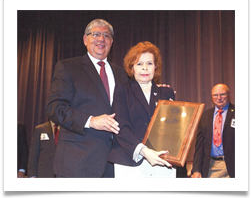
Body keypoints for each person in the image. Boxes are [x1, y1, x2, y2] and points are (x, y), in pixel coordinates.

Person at [46, 19, 128, 178]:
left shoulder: (121, 74)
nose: (101, 39)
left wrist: (157, 94)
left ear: (111, 41)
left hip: (114, 164)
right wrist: (90, 121)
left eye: (106, 35)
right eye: (96, 34)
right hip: (77, 163)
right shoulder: (68, 67)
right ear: (85, 39)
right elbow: (54, 107)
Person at [108, 41, 186, 178]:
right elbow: (121, 127)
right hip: (130, 161)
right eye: (139, 64)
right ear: (132, 68)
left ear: (156, 67)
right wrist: (144, 151)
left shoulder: (166, 93)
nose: (145, 68)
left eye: (149, 63)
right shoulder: (122, 90)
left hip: (162, 160)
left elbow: (174, 130)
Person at [192, 83, 235, 178]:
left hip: (232, 167)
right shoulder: (205, 116)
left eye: (222, 94)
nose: (219, 98)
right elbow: (199, 146)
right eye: (215, 95)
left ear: (229, 94)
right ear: (212, 96)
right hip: (210, 167)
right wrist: (196, 170)